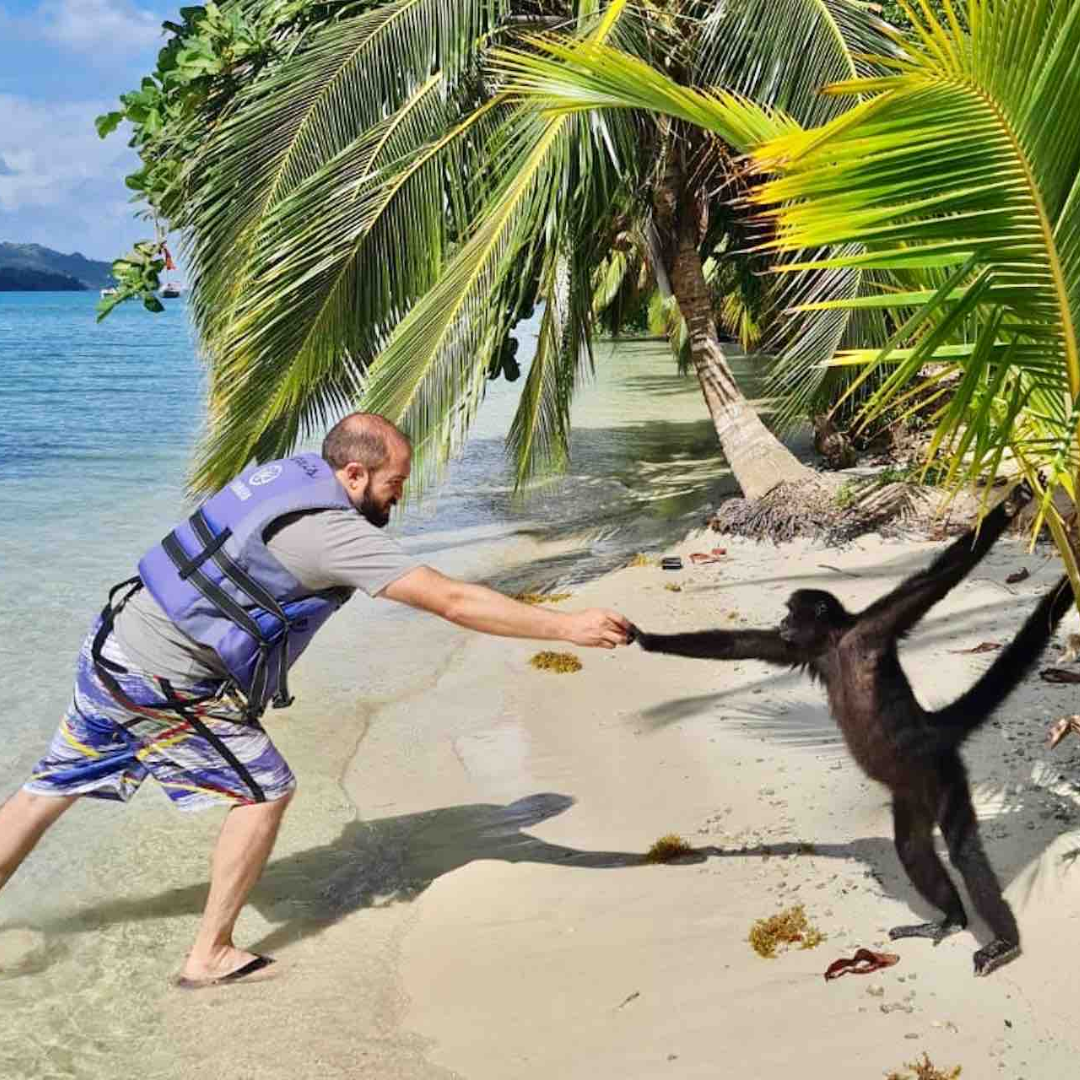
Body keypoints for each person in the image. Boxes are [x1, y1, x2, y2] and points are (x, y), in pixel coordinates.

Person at [0, 413, 632, 988]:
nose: (400, 494)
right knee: (264, 789)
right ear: (353, 471)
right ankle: (209, 954)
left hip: (114, 644)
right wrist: (566, 626)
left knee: (47, 788)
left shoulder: (292, 475)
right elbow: (452, 600)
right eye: (395, 481)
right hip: (163, 682)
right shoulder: (332, 531)